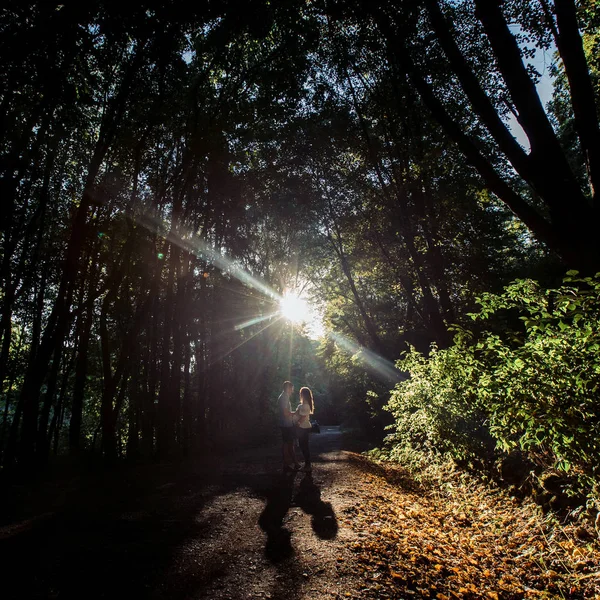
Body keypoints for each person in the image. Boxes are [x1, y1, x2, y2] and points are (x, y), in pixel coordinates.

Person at [279, 381, 300, 472]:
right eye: (292, 388)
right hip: (286, 424)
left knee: (290, 443)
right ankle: (286, 464)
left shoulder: (284, 396)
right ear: (288, 388)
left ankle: (295, 463)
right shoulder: (284, 397)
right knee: (287, 444)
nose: (292, 390)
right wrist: (295, 413)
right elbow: (285, 413)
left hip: (286, 424)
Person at [293, 386, 314, 473]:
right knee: (303, 446)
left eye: (301, 393)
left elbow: (303, 417)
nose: (300, 394)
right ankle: (307, 464)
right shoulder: (301, 405)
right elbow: (296, 414)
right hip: (301, 427)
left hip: (303, 427)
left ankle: (308, 465)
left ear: (303, 394)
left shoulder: (306, 406)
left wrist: (297, 424)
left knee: (304, 446)